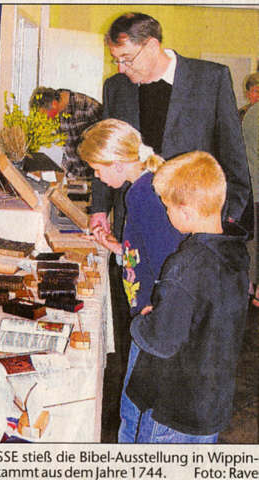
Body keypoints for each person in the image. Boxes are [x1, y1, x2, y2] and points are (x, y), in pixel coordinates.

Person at [89, 12, 253, 442]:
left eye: (126, 59)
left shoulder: (210, 78)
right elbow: (108, 151)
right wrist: (100, 206)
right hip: (139, 232)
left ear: (152, 44)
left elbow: (235, 167)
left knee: (186, 353)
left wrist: (215, 234)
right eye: (115, 60)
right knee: (144, 343)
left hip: (193, 234)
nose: (120, 69)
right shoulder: (116, 87)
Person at [122, 151, 249, 443]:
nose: (166, 214)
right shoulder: (236, 252)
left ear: (186, 213)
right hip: (211, 406)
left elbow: (162, 341)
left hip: (174, 408)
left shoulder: (185, 264)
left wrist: (141, 322)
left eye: (167, 207)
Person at [78, 118, 185, 441]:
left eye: (97, 168)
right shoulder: (143, 185)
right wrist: (114, 246)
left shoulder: (142, 194)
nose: (96, 176)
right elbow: (145, 251)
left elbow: (170, 259)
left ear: (118, 161)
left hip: (153, 318)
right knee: (132, 404)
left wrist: (158, 311)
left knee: (135, 411)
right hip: (150, 314)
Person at [29, 87, 102, 178]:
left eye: (45, 115)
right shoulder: (55, 110)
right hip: (72, 175)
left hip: (93, 176)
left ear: (54, 104)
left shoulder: (88, 107)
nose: (46, 119)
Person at [242, 102, 259, 307]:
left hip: (251, 188)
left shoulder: (252, 112)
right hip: (255, 187)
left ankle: (248, 288)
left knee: (252, 243)